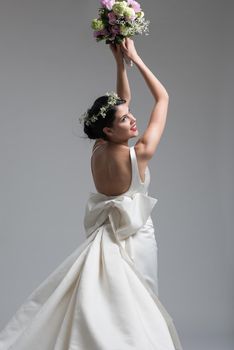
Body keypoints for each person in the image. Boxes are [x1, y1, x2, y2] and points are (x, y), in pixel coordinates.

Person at [0, 38, 183, 349]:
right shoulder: (140, 153)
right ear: (110, 131)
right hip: (137, 238)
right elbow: (163, 98)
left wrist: (118, 63)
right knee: (141, 305)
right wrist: (135, 59)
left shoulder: (99, 147)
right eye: (126, 119)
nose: (132, 118)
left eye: (129, 115)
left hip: (107, 235)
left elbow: (119, 102)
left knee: (113, 307)